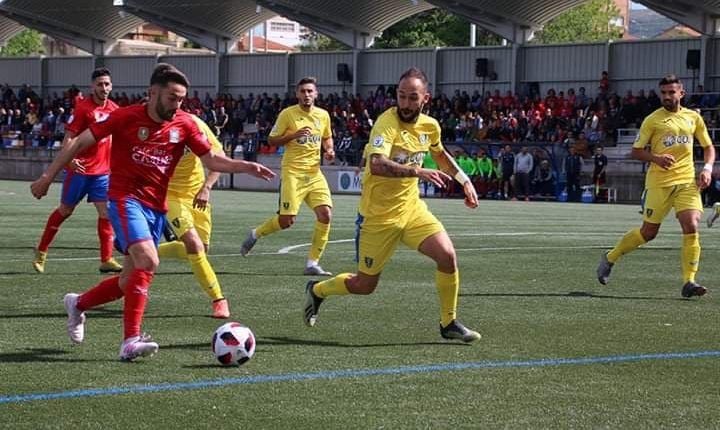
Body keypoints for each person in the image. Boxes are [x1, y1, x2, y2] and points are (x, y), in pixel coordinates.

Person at [30, 63, 275, 361]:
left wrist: (246, 165)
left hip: (155, 208)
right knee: (149, 258)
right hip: (124, 199)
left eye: (182, 99)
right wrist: (47, 177)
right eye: (172, 97)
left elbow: (212, 159)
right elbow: (80, 141)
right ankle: (130, 340)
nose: (178, 104)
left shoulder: (184, 124)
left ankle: (78, 304)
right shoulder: (124, 117)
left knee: (127, 282)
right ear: (153, 93)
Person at [302, 67, 481, 342]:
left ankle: (449, 323)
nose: (406, 104)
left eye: (412, 98)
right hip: (377, 218)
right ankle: (317, 291)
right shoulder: (386, 123)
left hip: (412, 210)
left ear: (426, 98)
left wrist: (464, 180)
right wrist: (417, 172)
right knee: (364, 285)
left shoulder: (430, 126)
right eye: (401, 96)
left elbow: (440, 154)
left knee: (447, 257)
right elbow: (377, 164)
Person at [597, 74, 715, 298]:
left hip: (686, 181)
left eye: (671, 92)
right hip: (659, 183)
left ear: (681, 93)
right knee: (648, 233)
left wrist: (707, 168)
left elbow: (708, 146)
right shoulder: (653, 119)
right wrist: (657, 159)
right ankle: (611, 256)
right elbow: (636, 151)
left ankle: (689, 281)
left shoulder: (693, 118)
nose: (667, 97)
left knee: (691, 225)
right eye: (663, 93)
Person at [239, 77, 335, 276]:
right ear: (297, 94)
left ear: (316, 94)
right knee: (287, 221)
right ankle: (256, 233)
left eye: (310, 91)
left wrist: (329, 150)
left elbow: (327, 137)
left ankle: (312, 263)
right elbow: (272, 139)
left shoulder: (323, 115)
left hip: (315, 173)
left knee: (325, 215)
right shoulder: (288, 114)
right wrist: (293, 135)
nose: (307, 95)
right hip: (293, 173)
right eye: (303, 91)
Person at [32, 67, 122, 274]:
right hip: (80, 171)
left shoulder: (115, 110)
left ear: (111, 86)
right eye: (100, 84)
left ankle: (106, 258)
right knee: (65, 211)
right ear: (92, 86)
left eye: (107, 84)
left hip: (102, 173)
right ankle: (41, 250)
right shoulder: (83, 108)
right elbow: (69, 138)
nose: (104, 88)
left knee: (105, 213)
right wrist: (69, 160)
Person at [157, 114, 230, 319]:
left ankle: (151, 252)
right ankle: (218, 299)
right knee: (194, 244)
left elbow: (219, 155)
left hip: (198, 192)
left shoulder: (193, 123)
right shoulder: (149, 129)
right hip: (171, 195)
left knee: (202, 248)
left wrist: (206, 187)